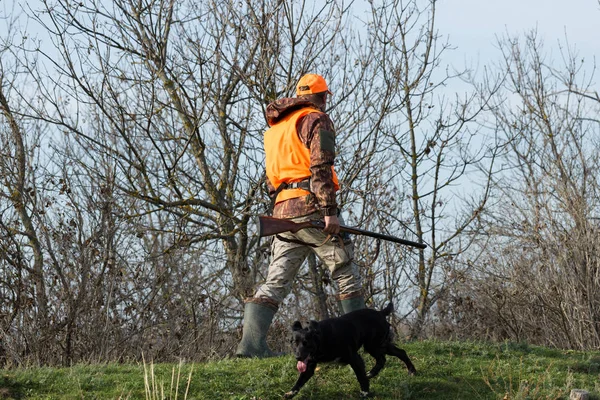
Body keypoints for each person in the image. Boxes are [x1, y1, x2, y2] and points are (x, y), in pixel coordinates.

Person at [236, 73, 365, 358]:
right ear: (322, 96)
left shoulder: (275, 129)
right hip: (313, 210)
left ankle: (251, 346)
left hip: (282, 213)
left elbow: (271, 180)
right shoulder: (316, 119)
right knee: (345, 272)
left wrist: (285, 205)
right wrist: (329, 212)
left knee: (276, 280)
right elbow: (320, 167)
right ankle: (361, 342)